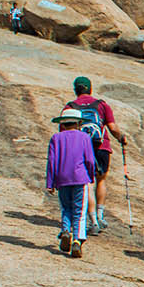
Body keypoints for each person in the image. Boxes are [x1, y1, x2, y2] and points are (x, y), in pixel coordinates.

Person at [66, 76, 127, 233]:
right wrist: (121, 138)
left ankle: (92, 220)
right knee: (101, 180)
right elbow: (112, 127)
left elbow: (64, 132)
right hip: (102, 146)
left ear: (75, 90)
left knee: (88, 183)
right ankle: (100, 215)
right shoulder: (101, 105)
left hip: (81, 148)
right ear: (90, 89)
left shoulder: (70, 107)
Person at [46, 108, 98, 258]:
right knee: (79, 210)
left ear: (62, 123)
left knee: (66, 208)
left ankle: (66, 231)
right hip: (80, 177)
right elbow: (89, 159)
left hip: (62, 178)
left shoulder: (56, 138)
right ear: (78, 123)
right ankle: (77, 239)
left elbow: (52, 161)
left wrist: (50, 182)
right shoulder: (84, 137)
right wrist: (91, 176)